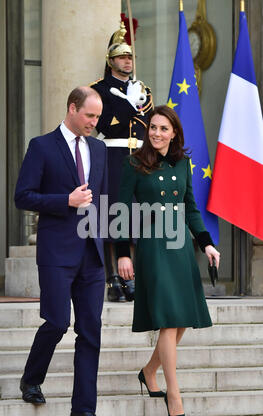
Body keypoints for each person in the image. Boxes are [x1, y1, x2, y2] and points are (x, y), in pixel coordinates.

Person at [15, 86, 113, 416]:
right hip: (56, 252)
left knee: (91, 331)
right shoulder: (41, 146)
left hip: (92, 255)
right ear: (72, 108)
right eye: (90, 115)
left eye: (97, 117)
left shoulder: (99, 149)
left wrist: (111, 255)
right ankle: (31, 379)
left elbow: (102, 200)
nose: (94, 122)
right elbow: (22, 196)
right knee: (57, 322)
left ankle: (83, 410)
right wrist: (65, 201)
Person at [117, 105, 220, 416]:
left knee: (182, 319)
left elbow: (191, 208)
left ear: (174, 132)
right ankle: (173, 393)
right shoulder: (134, 163)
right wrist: (123, 252)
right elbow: (121, 209)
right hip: (153, 247)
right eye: (153, 128)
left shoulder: (183, 164)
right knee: (169, 319)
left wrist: (206, 244)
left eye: (164, 128)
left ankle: (149, 371)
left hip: (180, 248)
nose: (157, 133)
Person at [90, 21, 154, 302]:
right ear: (110, 61)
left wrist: (132, 100)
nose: (127, 61)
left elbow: (148, 124)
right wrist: (128, 104)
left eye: (130, 57)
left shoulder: (143, 90)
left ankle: (137, 275)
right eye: (121, 57)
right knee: (114, 213)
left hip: (140, 156)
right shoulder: (100, 90)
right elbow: (107, 125)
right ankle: (114, 278)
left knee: (141, 213)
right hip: (114, 155)